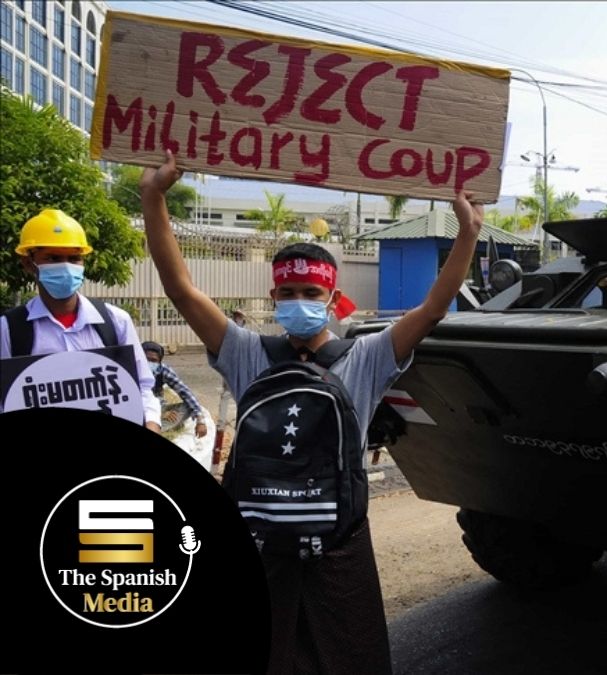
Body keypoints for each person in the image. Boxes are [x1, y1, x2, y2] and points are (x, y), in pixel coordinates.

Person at [140, 150, 483, 674]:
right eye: (289, 292)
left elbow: (434, 307)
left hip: (338, 544)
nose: (299, 300)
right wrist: (153, 197)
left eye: (311, 292)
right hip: (263, 539)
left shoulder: (367, 356)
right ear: (273, 295)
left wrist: (468, 234)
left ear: (332, 296)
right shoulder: (245, 351)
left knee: (350, 660)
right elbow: (181, 291)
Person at [0, 209, 161, 431]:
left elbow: (142, 387)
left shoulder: (115, 321)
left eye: (74, 258)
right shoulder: (9, 329)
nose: (66, 267)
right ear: (29, 264)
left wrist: (151, 424)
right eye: (53, 258)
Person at [141, 340, 207, 437]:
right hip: (140, 410)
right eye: (146, 359)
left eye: (153, 360)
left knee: (188, 406)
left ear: (159, 362)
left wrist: (200, 420)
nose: (149, 363)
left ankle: (158, 426)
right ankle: (157, 426)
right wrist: (159, 414)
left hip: (160, 406)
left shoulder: (163, 371)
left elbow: (184, 391)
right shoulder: (132, 371)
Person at [214, 309, 249, 459]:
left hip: (240, 379)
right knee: (223, 418)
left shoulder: (242, 334)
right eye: (236, 317)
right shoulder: (229, 332)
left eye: (239, 317)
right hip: (229, 379)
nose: (237, 319)